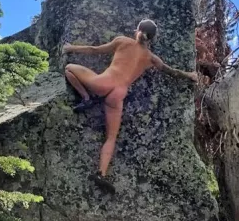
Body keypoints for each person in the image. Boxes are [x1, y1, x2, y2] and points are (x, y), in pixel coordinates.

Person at [63, 19, 198, 193]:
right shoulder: (151, 58)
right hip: (118, 94)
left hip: (102, 83)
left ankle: (86, 98)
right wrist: (191, 75)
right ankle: (101, 173)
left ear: (138, 30)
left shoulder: (123, 41)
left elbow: (94, 50)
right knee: (111, 137)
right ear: (152, 39)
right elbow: (172, 72)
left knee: (69, 68)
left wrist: (70, 48)